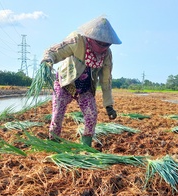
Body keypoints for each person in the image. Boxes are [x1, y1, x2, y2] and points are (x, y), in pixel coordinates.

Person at [41, 16, 121, 146]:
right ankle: (53, 143)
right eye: (100, 43)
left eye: (107, 45)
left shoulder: (106, 55)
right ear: (91, 38)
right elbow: (56, 51)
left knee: (92, 115)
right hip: (65, 84)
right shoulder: (77, 41)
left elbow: (106, 80)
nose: (103, 48)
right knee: (57, 115)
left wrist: (109, 105)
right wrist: (48, 60)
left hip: (85, 88)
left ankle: (86, 146)